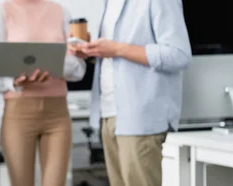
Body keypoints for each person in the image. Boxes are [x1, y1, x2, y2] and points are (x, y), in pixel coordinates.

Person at [70, 0, 192, 185]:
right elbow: (116, 58)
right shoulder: (108, 3)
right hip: (108, 114)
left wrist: (117, 49)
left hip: (140, 116)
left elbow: (178, 54)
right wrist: (91, 52)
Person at [0, 0, 88, 185]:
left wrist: (51, 66)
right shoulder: (0, 13)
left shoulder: (61, 12)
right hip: (18, 115)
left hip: (57, 115)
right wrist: (15, 81)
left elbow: (78, 68)